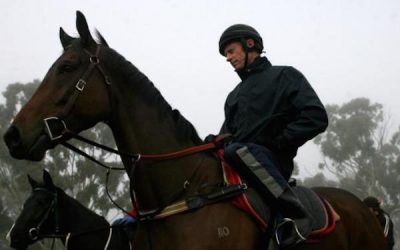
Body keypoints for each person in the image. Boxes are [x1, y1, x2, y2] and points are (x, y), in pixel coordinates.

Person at [217, 24, 328, 248]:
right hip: (239, 164)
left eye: (230, 51)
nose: (228, 58)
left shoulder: (285, 76)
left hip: (273, 161)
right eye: (226, 54)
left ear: (250, 44)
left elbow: (316, 116)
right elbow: (226, 137)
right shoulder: (234, 96)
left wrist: (280, 140)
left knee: (237, 150)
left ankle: (294, 214)